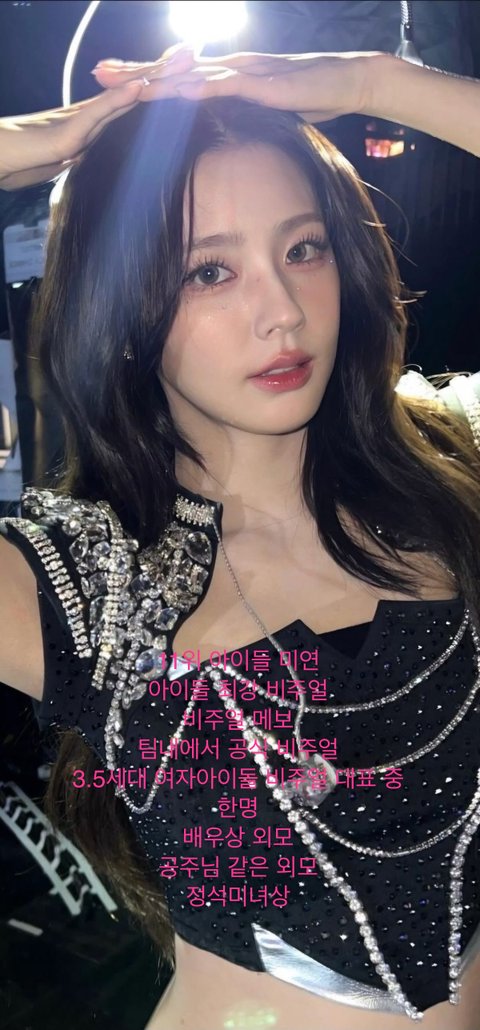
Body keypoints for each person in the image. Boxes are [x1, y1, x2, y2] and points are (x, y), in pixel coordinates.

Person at [1, 45, 480, 1030]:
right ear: (122, 308)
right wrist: (31, 147)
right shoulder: (84, 577)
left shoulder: (453, 466)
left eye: (303, 249)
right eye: (210, 271)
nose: (282, 311)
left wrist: (375, 85)